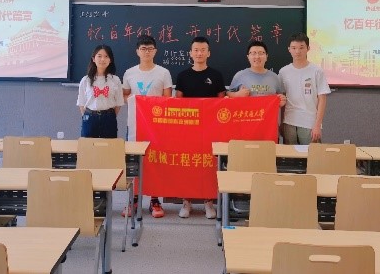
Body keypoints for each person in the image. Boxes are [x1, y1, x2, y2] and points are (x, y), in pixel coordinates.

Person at [122, 35, 173, 218]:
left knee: (155, 160)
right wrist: (138, 101)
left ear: (155, 51)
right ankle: (134, 199)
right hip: (135, 124)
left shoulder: (163, 73)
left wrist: (151, 105)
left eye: (150, 49)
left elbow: (168, 99)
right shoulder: (129, 73)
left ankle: (154, 200)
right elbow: (125, 96)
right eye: (143, 49)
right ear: (137, 51)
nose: (146, 52)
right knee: (134, 162)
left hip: (157, 126)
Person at [175, 36, 226, 219]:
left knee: (208, 164)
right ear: (190, 53)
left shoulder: (216, 75)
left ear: (208, 53)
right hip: (188, 129)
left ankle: (208, 202)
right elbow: (177, 103)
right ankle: (186, 202)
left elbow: (222, 102)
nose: (199, 53)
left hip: (211, 128)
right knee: (188, 164)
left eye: (203, 50)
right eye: (196, 50)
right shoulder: (182, 76)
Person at [278, 33, 331, 145]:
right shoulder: (283, 72)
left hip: (309, 122)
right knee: (290, 155)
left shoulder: (317, 71)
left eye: (301, 47)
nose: (297, 51)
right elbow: (282, 99)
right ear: (289, 49)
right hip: (289, 122)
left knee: (312, 154)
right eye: (294, 48)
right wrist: (281, 122)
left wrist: (317, 125)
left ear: (308, 48)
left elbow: (322, 99)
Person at [76, 44, 124, 138]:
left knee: (109, 145)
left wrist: (108, 115)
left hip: (109, 118)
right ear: (93, 59)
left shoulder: (115, 80)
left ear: (110, 60)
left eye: (106, 56)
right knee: (88, 145)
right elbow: (81, 103)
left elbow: (118, 103)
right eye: (99, 56)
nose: (103, 59)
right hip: (90, 118)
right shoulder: (86, 80)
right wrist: (89, 116)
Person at [226, 40, 286, 109]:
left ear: (266, 56)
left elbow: (280, 97)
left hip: (268, 115)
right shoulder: (240, 75)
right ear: (248, 57)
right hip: (248, 115)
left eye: (261, 53)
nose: (257, 56)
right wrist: (237, 94)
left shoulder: (274, 77)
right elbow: (228, 93)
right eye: (253, 53)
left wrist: (282, 101)